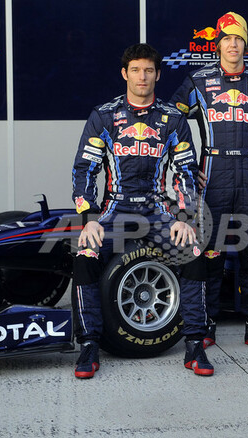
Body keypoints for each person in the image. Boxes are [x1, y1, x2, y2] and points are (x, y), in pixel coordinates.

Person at [71, 43, 212, 378]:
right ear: (125, 74)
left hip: (156, 208)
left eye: (148, 70)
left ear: (158, 75)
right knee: (85, 254)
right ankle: (89, 344)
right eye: (135, 70)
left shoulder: (173, 118)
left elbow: (185, 171)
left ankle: (195, 344)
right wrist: (89, 219)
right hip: (114, 209)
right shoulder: (104, 116)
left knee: (193, 251)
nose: (142, 76)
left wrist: (184, 218)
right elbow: (84, 170)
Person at [171, 12, 248, 352]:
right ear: (218, 44)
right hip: (212, 172)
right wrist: (188, 165)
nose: (232, 44)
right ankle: (208, 323)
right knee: (211, 253)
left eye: (238, 38)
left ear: (245, 43)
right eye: (227, 39)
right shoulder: (199, 80)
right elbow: (170, 122)